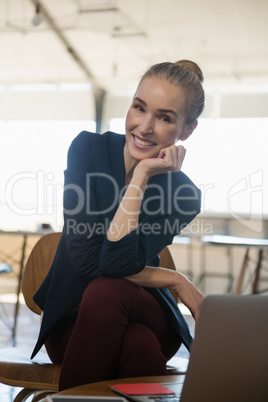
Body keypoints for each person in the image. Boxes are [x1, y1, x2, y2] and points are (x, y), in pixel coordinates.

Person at [31, 59, 205, 391]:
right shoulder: (87, 149)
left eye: (164, 117)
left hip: (146, 312)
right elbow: (85, 261)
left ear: (187, 130)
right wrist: (175, 279)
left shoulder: (184, 194)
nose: (144, 127)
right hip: (74, 318)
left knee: (108, 289)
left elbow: (114, 263)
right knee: (137, 346)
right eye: (139, 108)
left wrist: (140, 176)